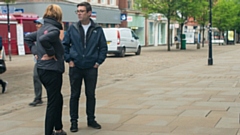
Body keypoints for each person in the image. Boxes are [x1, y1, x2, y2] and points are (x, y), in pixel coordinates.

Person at [62, 2, 107, 132]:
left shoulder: (97, 29)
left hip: (91, 67)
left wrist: (98, 62)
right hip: (75, 66)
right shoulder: (73, 28)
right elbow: (65, 45)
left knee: (90, 94)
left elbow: (103, 47)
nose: (79, 14)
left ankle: (91, 119)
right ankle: (74, 122)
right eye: (78, 11)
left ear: (89, 13)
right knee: (74, 95)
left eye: (82, 11)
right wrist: (69, 59)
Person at [24, 4, 66, 135]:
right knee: (53, 103)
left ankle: (58, 129)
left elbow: (28, 38)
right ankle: (49, 132)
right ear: (58, 16)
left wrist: (36, 51)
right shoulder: (53, 30)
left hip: (43, 69)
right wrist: (51, 52)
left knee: (58, 98)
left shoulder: (43, 28)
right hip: (52, 71)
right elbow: (44, 39)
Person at [29, 18, 44, 106]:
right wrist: (34, 51)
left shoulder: (48, 33)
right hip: (38, 61)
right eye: (36, 24)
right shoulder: (36, 34)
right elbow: (29, 41)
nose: (37, 25)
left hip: (49, 61)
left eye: (39, 23)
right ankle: (38, 97)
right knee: (36, 76)